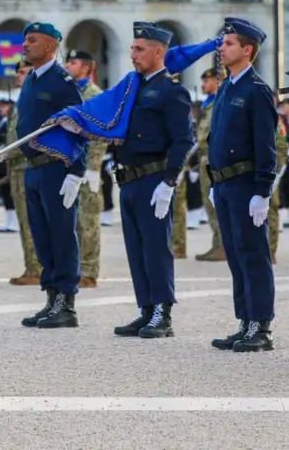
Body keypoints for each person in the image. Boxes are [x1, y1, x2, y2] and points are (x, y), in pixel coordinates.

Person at [110, 22, 195, 339]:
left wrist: (169, 181)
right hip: (128, 180)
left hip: (153, 180)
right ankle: (145, 308)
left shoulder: (172, 92)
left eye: (139, 49)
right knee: (136, 248)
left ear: (159, 52)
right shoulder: (132, 89)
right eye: (132, 48)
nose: (133, 54)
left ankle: (162, 310)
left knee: (156, 248)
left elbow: (183, 141)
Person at [204, 19, 278, 352]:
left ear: (247, 49)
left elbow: (266, 145)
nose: (222, 48)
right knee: (235, 254)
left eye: (229, 43)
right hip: (224, 184)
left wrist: (263, 190)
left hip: (246, 184)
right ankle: (245, 320)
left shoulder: (256, 90)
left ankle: (260, 325)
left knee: (253, 254)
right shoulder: (227, 87)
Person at [15, 22, 86, 329]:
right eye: (24, 40)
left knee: (61, 236)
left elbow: (81, 126)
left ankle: (66, 304)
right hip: (33, 168)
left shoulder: (62, 81)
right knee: (43, 238)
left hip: (57, 168)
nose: (25, 45)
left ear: (49, 47)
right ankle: (51, 296)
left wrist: (77, 172)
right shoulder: (31, 79)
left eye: (31, 41)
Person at [64, 49, 106, 287]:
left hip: (86, 166)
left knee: (87, 221)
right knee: (71, 221)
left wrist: (93, 167)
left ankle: (89, 271)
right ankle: (75, 268)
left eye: (73, 62)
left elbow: (99, 134)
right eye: (68, 61)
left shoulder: (95, 96)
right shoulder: (71, 93)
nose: (68, 65)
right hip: (68, 164)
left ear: (87, 68)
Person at [6, 60, 43, 286]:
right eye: (18, 72)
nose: (19, 75)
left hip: (28, 164)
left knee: (32, 220)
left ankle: (37, 267)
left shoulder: (36, 100)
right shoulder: (23, 98)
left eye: (24, 72)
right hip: (16, 167)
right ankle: (31, 266)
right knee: (23, 220)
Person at [193, 68, 225, 262]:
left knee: (217, 203)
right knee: (209, 203)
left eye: (208, 81)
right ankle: (217, 243)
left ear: (217, 81)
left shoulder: (220, 103)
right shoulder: (207, 105)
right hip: (204, 158)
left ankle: (224, 245)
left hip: (214, 159)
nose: (204, 85)